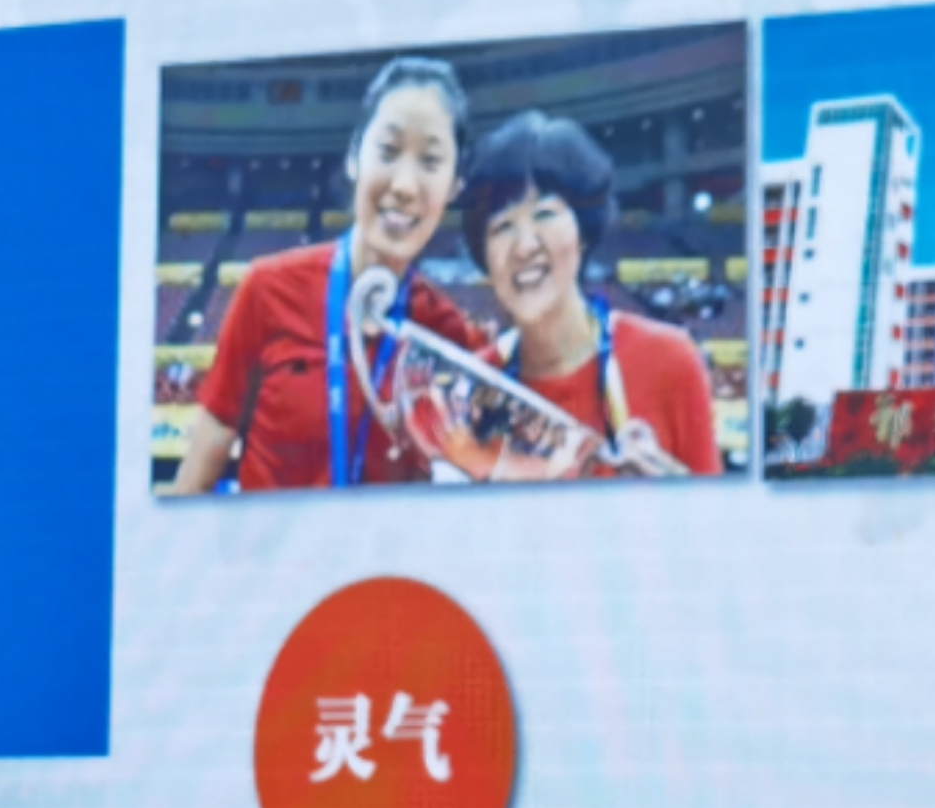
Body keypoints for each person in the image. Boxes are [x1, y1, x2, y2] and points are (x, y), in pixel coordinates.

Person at [169, 56, 482, 493]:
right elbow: (195, 479)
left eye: (430, 161)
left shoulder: (447, 335)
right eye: (388, 152)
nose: (404, 186)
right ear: (354, 157)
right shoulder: (266, 290)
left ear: (454, 186)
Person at [450, 110, 723, 480]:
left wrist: (676, 498)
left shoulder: (670, 360)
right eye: (502, 226)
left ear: (582, 232)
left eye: (544, 214)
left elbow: (721, 512)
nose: (524, 246)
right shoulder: (474, 390)